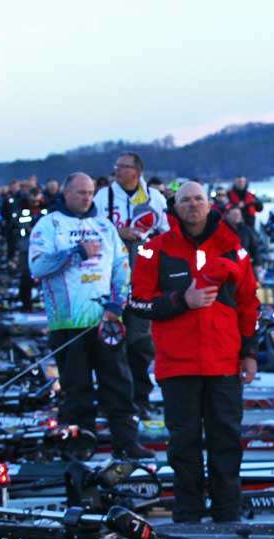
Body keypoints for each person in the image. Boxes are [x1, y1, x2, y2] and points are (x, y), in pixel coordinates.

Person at [129, 181, 259, 522]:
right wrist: (180, 301)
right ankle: (187, 509)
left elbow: (249, 304)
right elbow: (138, 302)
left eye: (198, 199)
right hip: (178, 364)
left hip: (224, 361)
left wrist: (250, 352)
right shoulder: (154, 249)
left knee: (226, 439)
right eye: (185, 200)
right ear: (175, 206)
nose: (192, 205)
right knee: (183, 441)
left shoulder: (234, 247)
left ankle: (227, 508)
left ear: (208, 203)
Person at [29, 172, 152, 459]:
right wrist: (76, 253)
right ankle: (80, 442)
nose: (86, 198)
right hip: (67, 323)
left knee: (119, 383)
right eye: (80, 192)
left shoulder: (105, 226)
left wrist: (116, 305)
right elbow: (37, 267)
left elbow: (122, 267)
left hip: (106, 322)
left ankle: (126, 441)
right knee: (76, 387)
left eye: (90, 193)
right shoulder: (48, 225)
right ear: (66, 192)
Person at [92, 151, 170, 419]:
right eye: (116, 167)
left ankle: (141, 398)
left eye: (123, 167)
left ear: (136, 171)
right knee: (110, 341)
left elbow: (167, 234)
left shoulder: (154, 199)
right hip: (111, 282)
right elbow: (94, 229)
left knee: (140, 342)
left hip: (144, 281)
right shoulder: (104, 197)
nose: (117, 171)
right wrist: (119, 233)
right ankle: (111, 399)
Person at [223, 204, 261, 277]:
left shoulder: (247, 230)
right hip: (226, 268)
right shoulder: (220, 230)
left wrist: (258, 264)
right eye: (234, 214)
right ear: (227, 215)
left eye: (238, 214)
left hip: (244, 267)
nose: (237, 216)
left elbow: (255, 248)